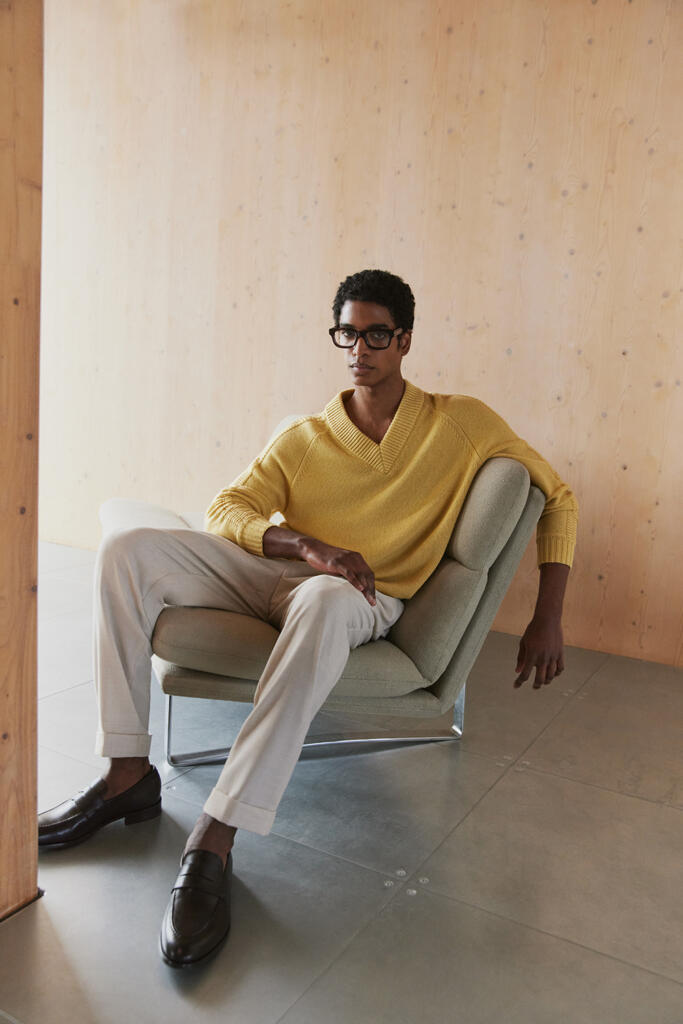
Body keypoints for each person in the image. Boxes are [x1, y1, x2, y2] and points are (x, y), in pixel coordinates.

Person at [37, 268, 578, 968]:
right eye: (347, 334)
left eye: (375, 335)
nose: (359, 349)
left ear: (405, 340)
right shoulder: (307, 434)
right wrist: (305, 545)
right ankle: (127, 772)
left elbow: (557, 496)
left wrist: (546, 615)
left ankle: (216, 832)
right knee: (127, 550)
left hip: (362, 596)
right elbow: (227, 509)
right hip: (279, 573)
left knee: (324, 599)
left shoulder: (461, 424)